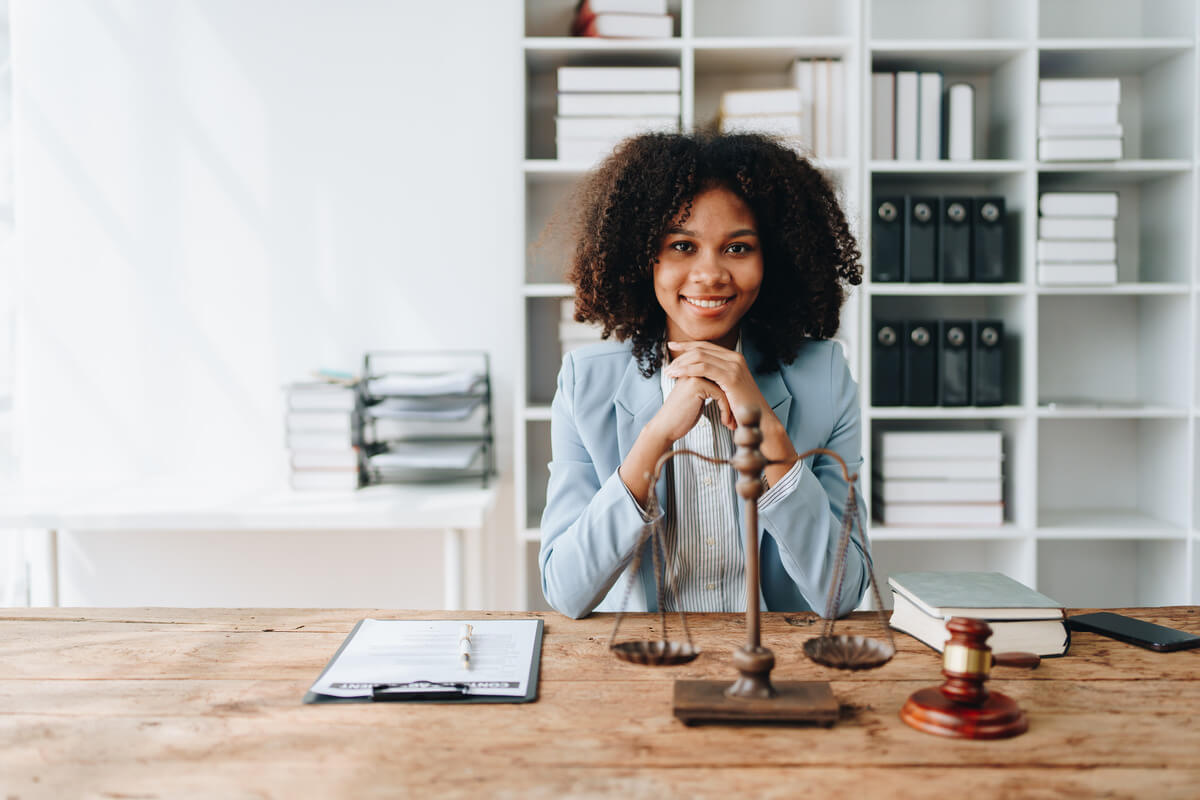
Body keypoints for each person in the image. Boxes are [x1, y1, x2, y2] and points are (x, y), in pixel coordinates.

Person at [539, 131, 869, 620]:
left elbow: (841, 596)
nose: (710, 274)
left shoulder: (825, 379)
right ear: (641, 257)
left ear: (772, 259)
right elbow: (565, 591)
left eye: (737, 248)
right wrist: (654, 439)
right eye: (681, 245)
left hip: (776, 668)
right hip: (640, 668)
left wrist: (768, 432)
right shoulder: (584, 385)